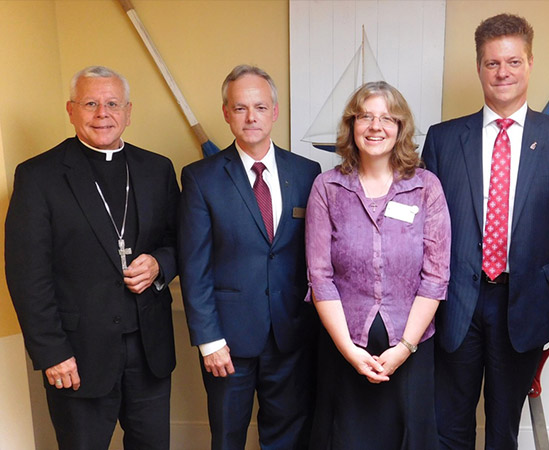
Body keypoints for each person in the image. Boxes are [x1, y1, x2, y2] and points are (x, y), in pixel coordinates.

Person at [421, 13, 549, 449]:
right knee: (448, 427)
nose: (503, 72)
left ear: (530, 63)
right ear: (479, 67)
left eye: (513, 62)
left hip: (527, 303)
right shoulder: (442, 140)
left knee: (503, 429)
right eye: (493, 63)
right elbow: (427, 228)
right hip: (456, 302)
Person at [5, 66, 179, 450]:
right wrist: (53, 352)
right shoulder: (38, 176)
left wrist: (160, 263)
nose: (103, 113)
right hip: (77, 354)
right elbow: (26, 273)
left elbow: (179, 239)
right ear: (71, 110)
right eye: (91, 103)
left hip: (149, 349)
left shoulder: (157, 169)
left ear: (129, 111)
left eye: (113, 103)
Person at [178, 64, 321, 449]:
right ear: (226, 113)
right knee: (228, 437)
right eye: (240, 108)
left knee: (289, 437)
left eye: (260, 107)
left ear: (275, 111)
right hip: (228, 343)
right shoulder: (199, 178)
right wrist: (209, 341)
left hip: (292, 336)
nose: (251, 117)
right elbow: (195, 267)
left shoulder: (308, 173)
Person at [305, 81, 451, 450]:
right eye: (365, 116)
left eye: (387, 118)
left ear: (400, 128)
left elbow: (436, 276)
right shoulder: (327, 188)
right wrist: (350, 351)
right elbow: (319, 277)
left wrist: (403, 347)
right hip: (345, 347)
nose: (375, 126)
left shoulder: (425, 187)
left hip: (411, 346)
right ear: (351, 126)